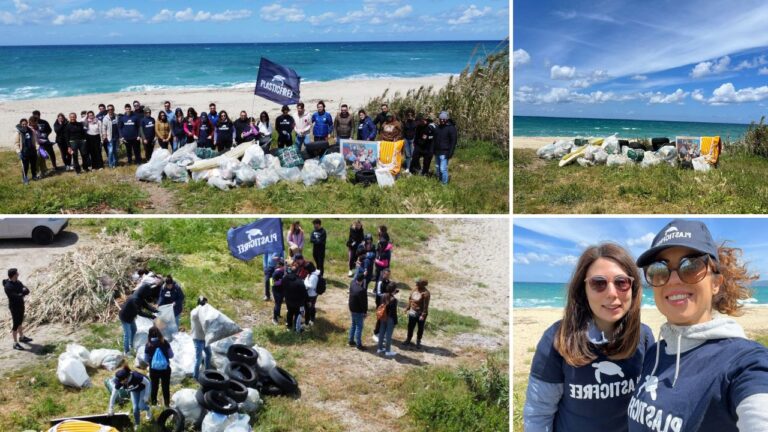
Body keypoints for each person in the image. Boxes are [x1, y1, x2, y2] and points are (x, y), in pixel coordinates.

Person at [628, 219, 768, 432]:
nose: (673, 280)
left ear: (715, 283)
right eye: (660, 269)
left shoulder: (743, 362)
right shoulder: (655, 354)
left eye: (691, 265)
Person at [523, 243, 654, 432]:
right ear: (583, 289)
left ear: (633, 289)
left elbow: (648, 402)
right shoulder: (557, 339)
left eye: (621, 282)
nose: (611, 293)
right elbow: (539, 413)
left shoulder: (644, 337)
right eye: (598, 283)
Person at [144, 325, 174, 408]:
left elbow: (145, 359)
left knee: (154, 386)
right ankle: (167, 404)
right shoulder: (165, 342)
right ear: (159, 334)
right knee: (165, 386)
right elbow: (171, 355)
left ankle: (154, 404)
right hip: (165, 369)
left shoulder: (148, 345)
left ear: (149, 335)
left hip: (153, 370)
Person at [3, 268, 32, 350]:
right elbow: (15, 296)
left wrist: (21, 293)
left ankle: (22, 337)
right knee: (15, 324)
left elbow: (27, 291)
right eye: (17, 273)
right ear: (13, 275)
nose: (18, 274)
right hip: (14, 307)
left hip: (20, 304)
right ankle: (15, 343)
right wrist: (21, 292)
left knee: (20, 321)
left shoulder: (18, 282)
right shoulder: (8, 286)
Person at [404, 278, 430, 348]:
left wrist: (423, 315)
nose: (416, 284)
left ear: (422, 285)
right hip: (413, 312)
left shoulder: (426, 293)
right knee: (410, 327)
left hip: (420, 314)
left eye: (417, 283)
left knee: (420, 328)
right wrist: (407, 308)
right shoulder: (414, 290)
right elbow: (410, 299)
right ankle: (408, 339)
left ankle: (418, 341)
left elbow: (425, 305)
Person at [190, 296, 212, 380]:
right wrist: (200, 306)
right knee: (198, 359)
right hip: (197, 339)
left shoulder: (205, 312)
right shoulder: (194, 312)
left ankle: (207, 371)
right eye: (204, 303)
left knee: (209, 354)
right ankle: (195, 376)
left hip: (205, 338)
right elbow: (195, 315)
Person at [433, 111, 457, 185]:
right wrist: (433, 149)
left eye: (444, 119)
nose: (442, 120)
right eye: (441, 119)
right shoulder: (438, 128)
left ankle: (444, 184)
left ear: (447, 119)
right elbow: (434, 139)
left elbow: (453, 141)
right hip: (437, 151)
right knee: (437, 168)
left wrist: (450, 152)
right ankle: (440, 180)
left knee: (443, 169)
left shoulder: (451, 128)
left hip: (445, 152)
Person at [283, 264, 308, 333]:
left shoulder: (285, 278)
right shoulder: (300, 281)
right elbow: (304, 293)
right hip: (298, 301)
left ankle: (289, 326)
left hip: (288, 300)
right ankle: (297, 329)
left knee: (290, 312)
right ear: (298, 272)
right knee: (298, 314)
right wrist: (306, 300)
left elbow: (282, 287)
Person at [15, 118, 39, 184]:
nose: (24, 125)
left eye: (26, 124)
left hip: (32, 150)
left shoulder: (31, 130)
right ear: (21, 124)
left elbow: (35, 140)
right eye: (23, 124)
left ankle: (34, 176)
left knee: (33, 165)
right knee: (25, 166)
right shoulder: (18, 132)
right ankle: (25, 178)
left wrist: (37, 148)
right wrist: (18, 152)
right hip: (24, 152)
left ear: (27, 124)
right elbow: (16, 143)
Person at [377, 285, 399, 357]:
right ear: (393, 290)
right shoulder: (394, 300)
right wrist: (395, 321)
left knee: (381, 333)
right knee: (388, 335)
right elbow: (393, 312)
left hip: (383, 316)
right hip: (390, 318)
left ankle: (379, 348)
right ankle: (387, 351)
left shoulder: (383, 296)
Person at [348, 272, 367, 351]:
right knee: (359, 327)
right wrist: (365, 312)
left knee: (353, 325)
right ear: (362, 280)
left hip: (352, 308)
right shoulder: (361, 290)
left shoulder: (352, 284)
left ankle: (351, 340)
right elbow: (364, 303)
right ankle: (359, 344)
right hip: (358, 311)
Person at [372, 268, 392, 340]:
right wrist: (387, 295)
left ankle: (381, 333)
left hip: (386, 303)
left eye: (389, 275)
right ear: (383, 274)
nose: (387, 276)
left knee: (385, 319)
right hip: (380, 303)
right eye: (386, 274)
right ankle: (376, 333)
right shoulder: (380, 282)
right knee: (380, 318)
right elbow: (379, 293)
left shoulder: (388, 281)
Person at [303, 262, 321, 326]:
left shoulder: (313, 276)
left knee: (308, 309)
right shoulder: (314, 273)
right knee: (312, 307)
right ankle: (312, 318)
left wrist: (304, 282)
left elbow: (311, 286)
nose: (306, 271)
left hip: (311, 295)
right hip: (312, 294)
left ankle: (307, 323)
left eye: (306, 270)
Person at [270, 258, 287, 324]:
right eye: (284, 266)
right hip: (276, 291)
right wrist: (281, 281)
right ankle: (274, 318)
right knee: (277, 304)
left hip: (282, 290)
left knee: (280, 303)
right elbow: (272, 283)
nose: (285, 267)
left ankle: (278, 315)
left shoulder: (283, 271)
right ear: (280, 266)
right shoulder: (276, 273)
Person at [402, 108, 417, 173]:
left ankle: (413, 168)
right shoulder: (405, 122)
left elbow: (417, 132)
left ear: (413, 115)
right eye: (408, 115)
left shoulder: (415, 122)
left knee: (413, 154)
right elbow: (403, 131)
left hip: (413, 140)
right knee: (407, 155)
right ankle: (408, 168)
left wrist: (415, 140)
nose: (409, 116)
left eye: (411, 115)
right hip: (406, 140)